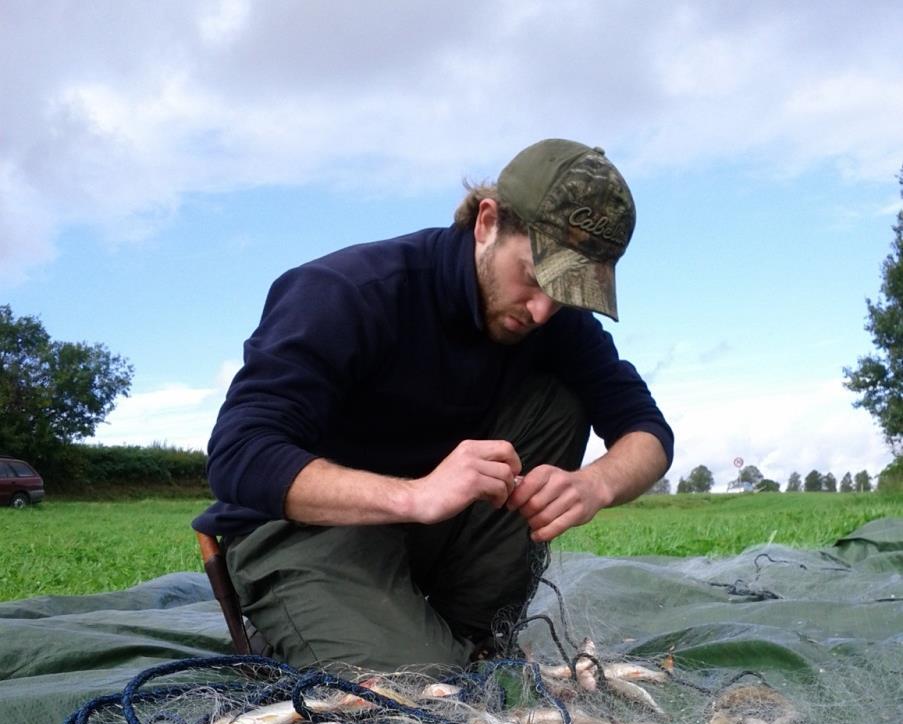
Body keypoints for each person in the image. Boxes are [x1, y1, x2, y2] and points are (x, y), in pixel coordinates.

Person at [193, 138, 674, 671]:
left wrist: (596, 483)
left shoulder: (555, 321)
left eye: (567, 293)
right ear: (487, 223)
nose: (542, 310)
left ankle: (466, 635)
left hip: (432, 531)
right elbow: (238, 456)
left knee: (561, 400)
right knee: (429, 699)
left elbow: (648, 431)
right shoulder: (348, 292)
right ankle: (316, 629)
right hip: (303, 530)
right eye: (535, 279)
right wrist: (415, 497)